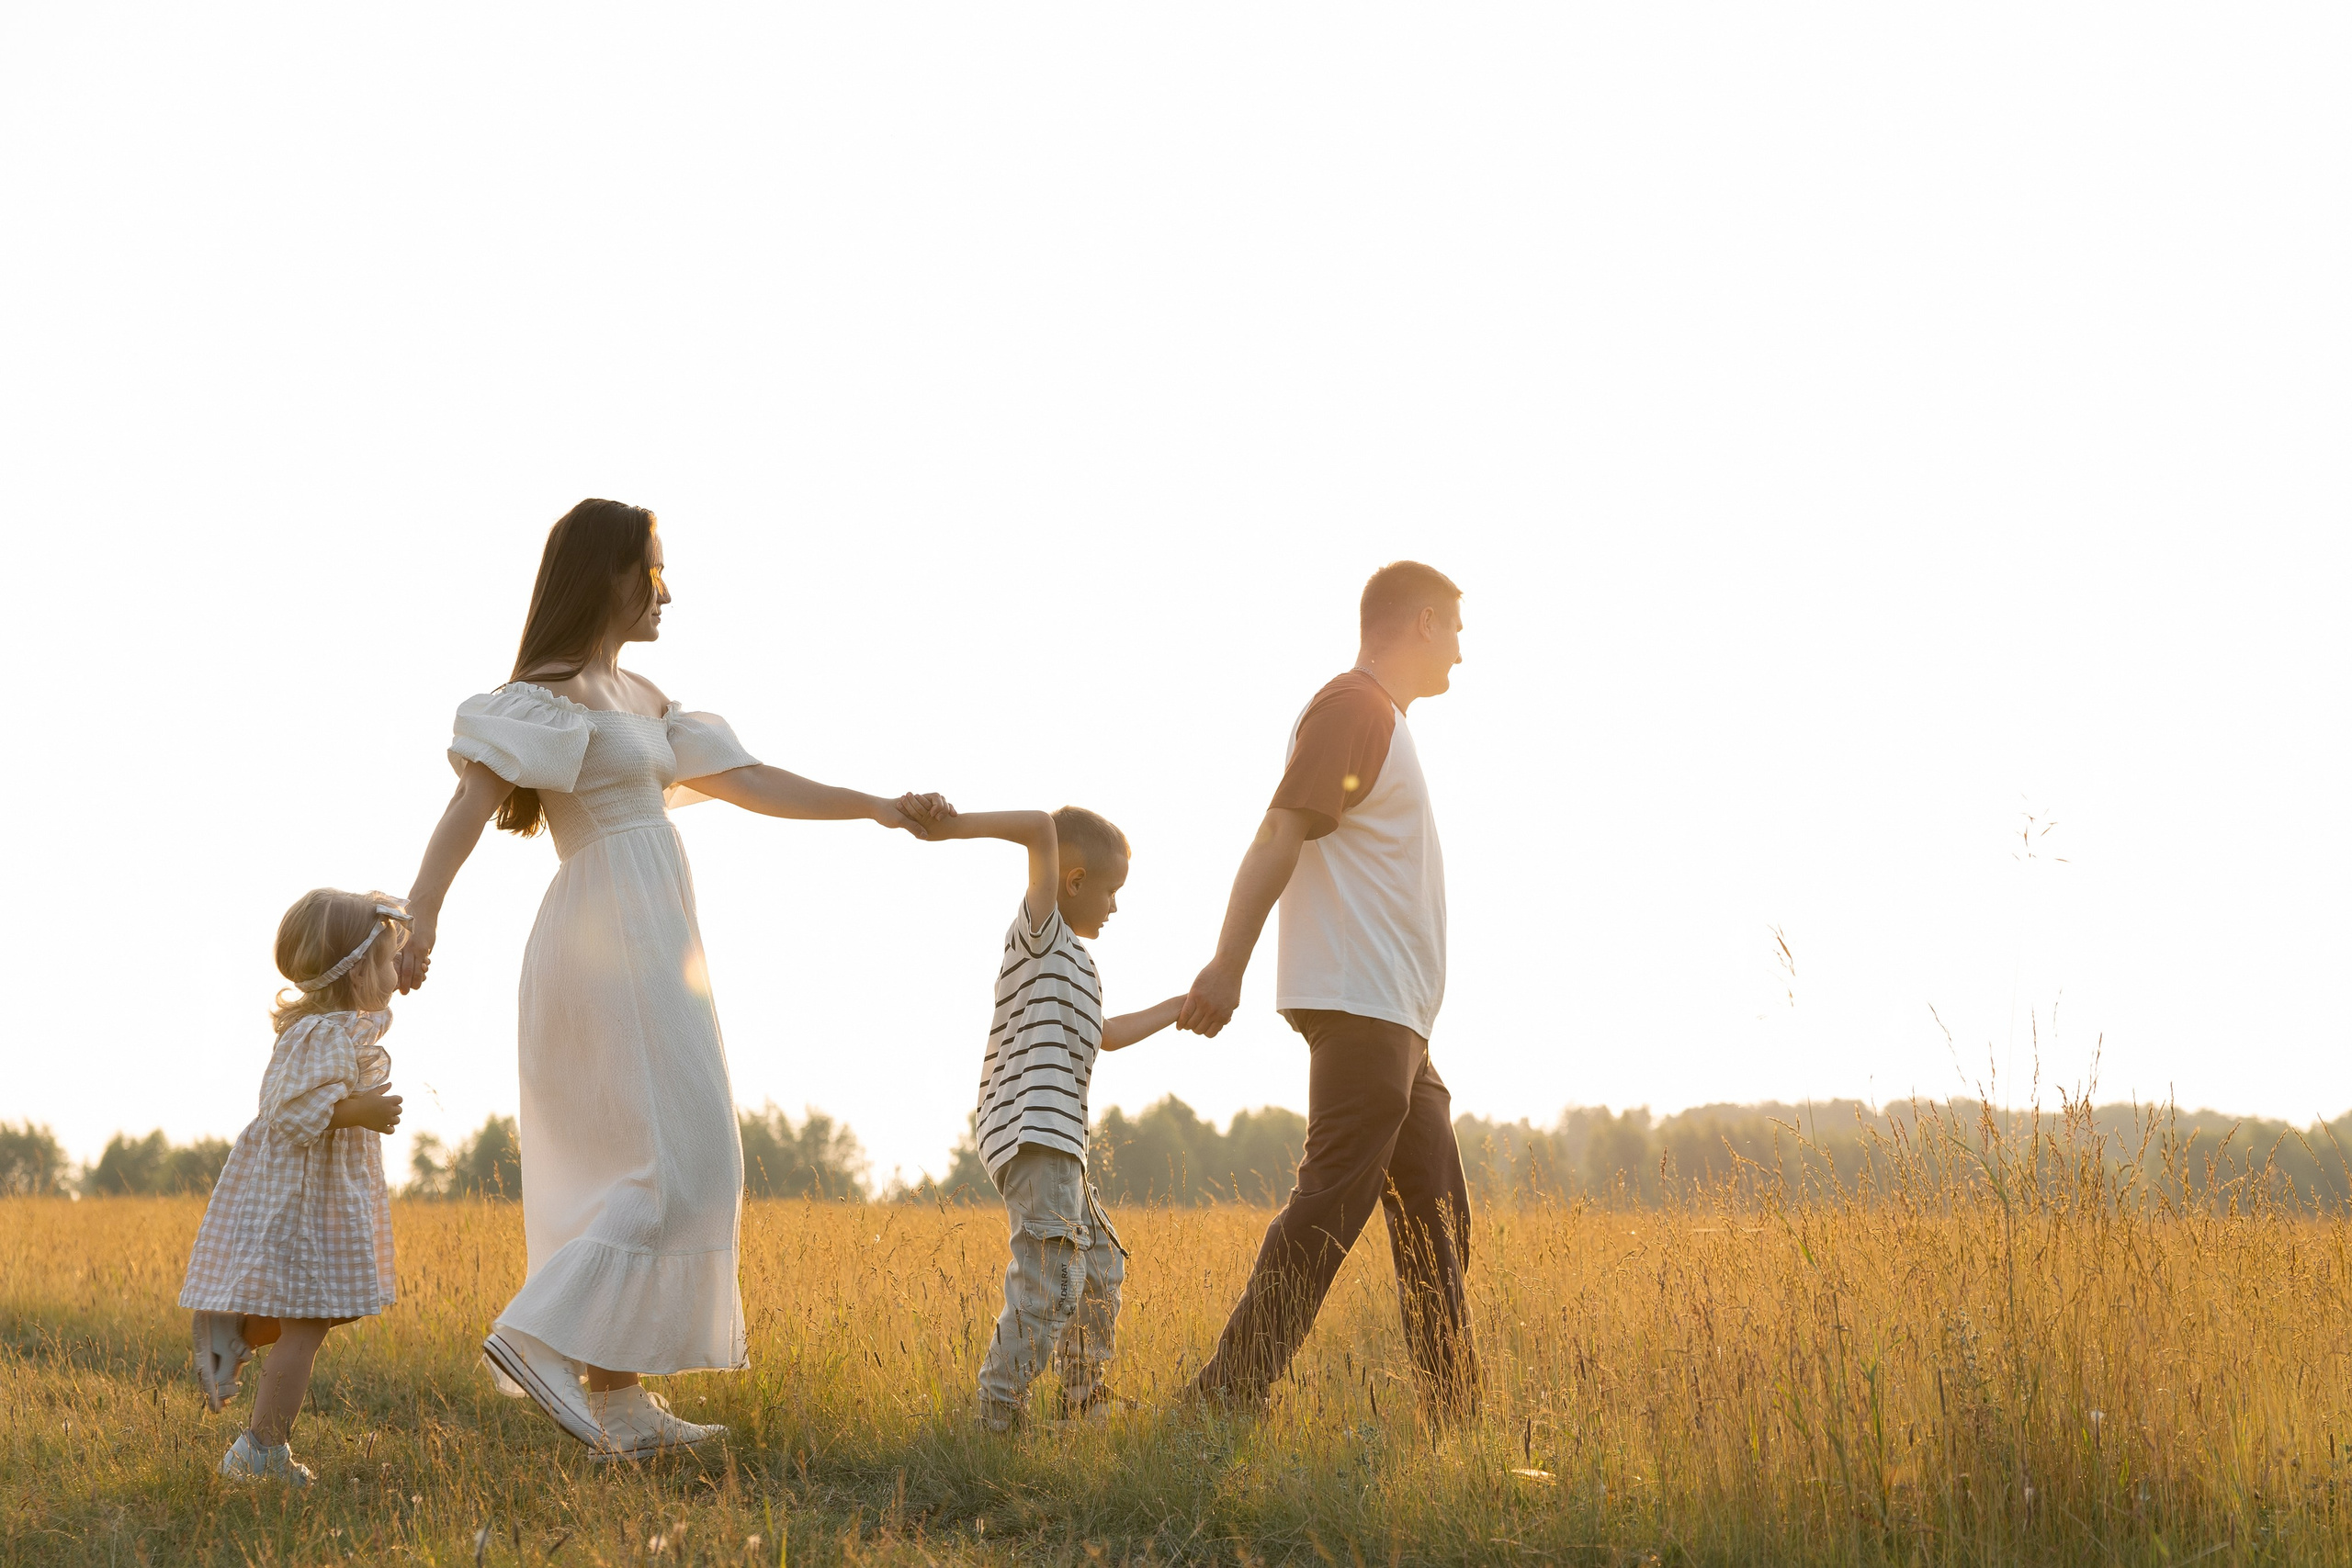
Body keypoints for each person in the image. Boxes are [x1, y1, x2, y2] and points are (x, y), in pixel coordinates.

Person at [399, 499, 928, 1461]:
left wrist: (879, 809)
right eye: (652, 569)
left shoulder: (641, 695)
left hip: (657, 938)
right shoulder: (542, 697)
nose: (666, 590)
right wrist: (421, 914)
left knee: (679, 1154)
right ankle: (535, 1336)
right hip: (601, 936)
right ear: (604, 574)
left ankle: (623, 1402)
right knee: (665, 1161)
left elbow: (755, 781)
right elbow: (469, 807)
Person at [1176, 560, 1477, 1419]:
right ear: (1421, 621)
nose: (1462, 651)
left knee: (1440, 1217)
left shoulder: (1386, 721)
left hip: (1398, 1019)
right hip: (1362, 1005)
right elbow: (1281, 830)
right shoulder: (1355, 707)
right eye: (1456, 628)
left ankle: (1454, 1419)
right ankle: (1220, 1400)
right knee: (1330, 1204)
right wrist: (1225, 965)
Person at [897, 796, 1183, 1431]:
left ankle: (1083, 1399)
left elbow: (1104, 1034)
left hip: (1064, 1147)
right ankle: (997, 1414)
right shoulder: (1040, 933)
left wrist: (1179, 1005)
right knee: (1052, 1281)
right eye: (1110, 891)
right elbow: (1039, 828)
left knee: (1102, 1263)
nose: (1115, 905)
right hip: (1035, 1134)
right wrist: (950, 828)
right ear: (1073, 882)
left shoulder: (1080, 964)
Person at [182, 887, 412, 1486]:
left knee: (330, 1309)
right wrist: (358, 1109)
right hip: (303, 1195)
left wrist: (410, 951)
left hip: (327, 1193)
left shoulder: (337, 1026)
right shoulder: (320, 1035)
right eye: (387, 960)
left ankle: (242, 1327)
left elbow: (388, 977)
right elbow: (287, 1106)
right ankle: (260, 1450)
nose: (394, 973)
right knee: (309, 1323)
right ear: (358, 969)